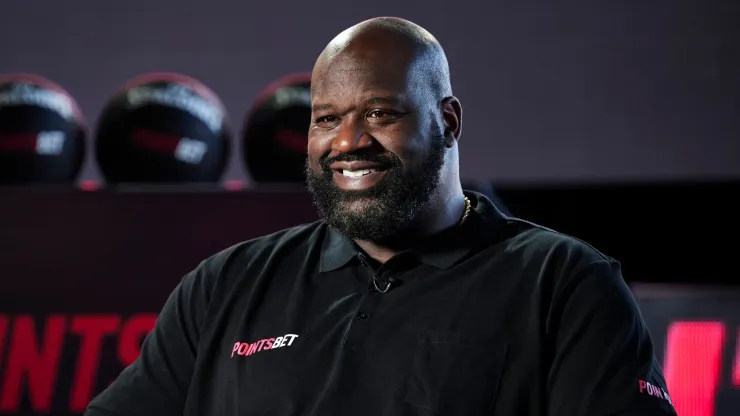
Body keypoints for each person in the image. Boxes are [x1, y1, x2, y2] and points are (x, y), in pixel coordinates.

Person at [85, 17, 677, 416]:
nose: (348, 141)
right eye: (325, 119)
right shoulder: (226, 287)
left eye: (379, 113)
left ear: (447, 121)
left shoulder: (563, 285)